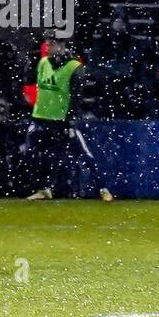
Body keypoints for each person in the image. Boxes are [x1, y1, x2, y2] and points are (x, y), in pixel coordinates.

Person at [23, 34, 115, 202]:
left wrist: (70, 118)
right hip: (41, 116)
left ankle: (102, 188)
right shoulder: (43, 62)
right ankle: (44, 188)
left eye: (51, 44)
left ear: (61, 45)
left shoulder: (74, 67)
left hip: (61, 119)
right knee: (34, 154)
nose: (47, 47)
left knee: (83, 154)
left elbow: (76, 96)